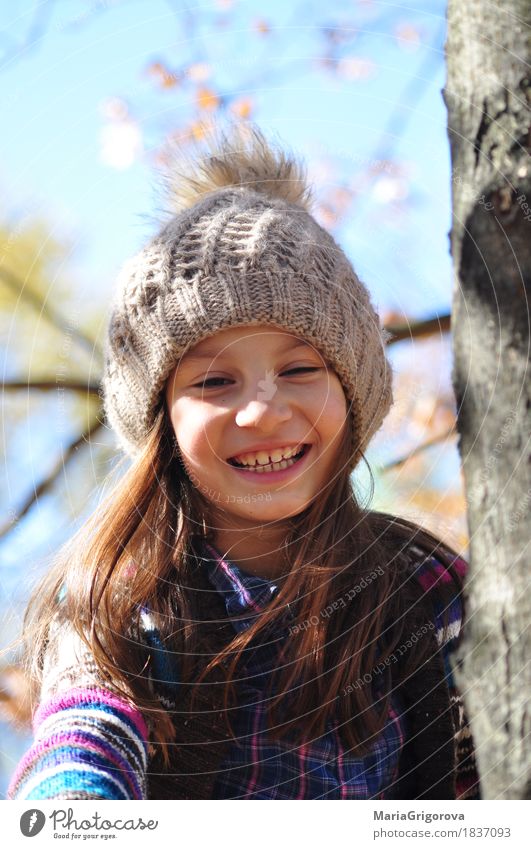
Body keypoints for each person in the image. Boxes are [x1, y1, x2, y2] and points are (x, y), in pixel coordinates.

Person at [8, 123, 481, 801]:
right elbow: (83, 734)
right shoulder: (117, 595)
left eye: (297, 368)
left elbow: (484, 772)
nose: (261, 411)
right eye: (212, 382)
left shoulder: (421, 585)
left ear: (353, 395)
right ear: (161, 422)